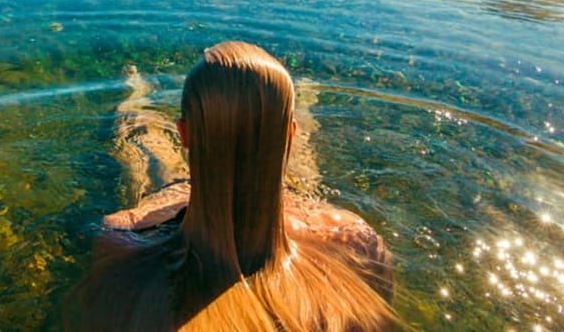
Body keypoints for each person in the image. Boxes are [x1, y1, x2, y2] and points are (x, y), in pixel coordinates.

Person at [65, 41, 396, 331]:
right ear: (289, 136)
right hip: (297, 200)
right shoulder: (356, 241)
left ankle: (135, 93)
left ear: (184, 134)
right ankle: (305, 98)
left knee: (141, 136)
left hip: (177, 194)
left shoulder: (121, 238)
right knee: (298, 164)